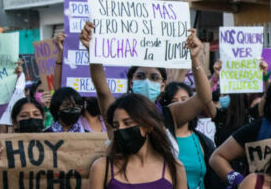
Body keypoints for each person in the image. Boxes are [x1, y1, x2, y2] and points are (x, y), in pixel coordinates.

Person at [79, 22, 213, 143]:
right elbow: (103, 92)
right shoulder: (117, 113)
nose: (147, 82)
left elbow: (204, 97)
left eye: (154, 78)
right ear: (131, 83)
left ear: (162, 86)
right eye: (141, 76)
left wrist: (194, 59)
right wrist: (93, 52)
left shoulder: (171, 114)